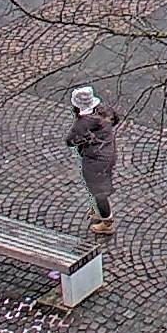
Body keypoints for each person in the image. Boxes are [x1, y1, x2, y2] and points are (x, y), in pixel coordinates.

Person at [66, 86, 123, 235]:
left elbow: (70, 141)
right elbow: (116, 119)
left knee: (98, 191)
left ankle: (106, 221)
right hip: (109, 153)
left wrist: (85, 140)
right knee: (102, 183)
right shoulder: (105, 111)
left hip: (94, 159)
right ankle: (100, 210)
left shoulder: (83, 123)